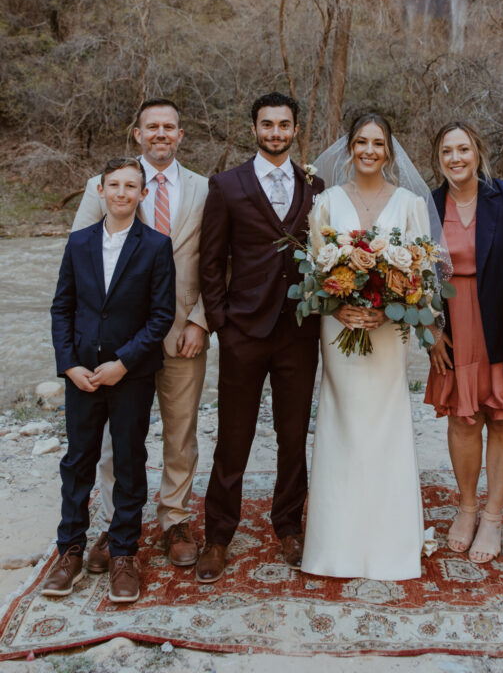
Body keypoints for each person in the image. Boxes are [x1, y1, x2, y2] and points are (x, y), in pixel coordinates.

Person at [71, 98, 209, 569]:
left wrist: (201, 320)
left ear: (181, 134)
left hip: (180, 332)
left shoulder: (203, 189)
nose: (161, 134)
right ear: (138, 134)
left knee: (180, 430)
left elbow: (217, 261)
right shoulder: (106, 186)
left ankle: (174, 518)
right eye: (152, 127)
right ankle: (115, 522)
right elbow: (80, 258)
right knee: (116, 436)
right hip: (118, 342)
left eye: (169, 127)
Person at [301, 113, 437, 581]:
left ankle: (391, 546)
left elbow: (422, 273)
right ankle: (333, 547)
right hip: (340, 329)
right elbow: (315, 272)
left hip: (387, 333)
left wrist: (392, 308)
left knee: (384, 424)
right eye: (361, 141)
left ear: (390, 151)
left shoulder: (410, 204)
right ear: (349, 148)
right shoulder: (325, 202)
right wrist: (336, 307)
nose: (369, 150)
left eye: (378, 143)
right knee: (342, 424)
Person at [197, 92, 324, 581]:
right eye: (267, 124)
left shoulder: (315, 186)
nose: (275, 132)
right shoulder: (226, 186)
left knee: (293, 436)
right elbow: (211, 261)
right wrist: (221, 323)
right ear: (254, 128)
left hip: (297, 330)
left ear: (295, 130)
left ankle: (288, 526)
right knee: (234, 437)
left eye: (284, 124)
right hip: (243, 332)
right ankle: (218, 536)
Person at [41, 158, 175, 603]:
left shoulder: (156, 246)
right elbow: (62, 307)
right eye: (113, 185)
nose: (121, 192)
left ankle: (123, 553)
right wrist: (68, 364)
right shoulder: (79, 242)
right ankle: (71, 551)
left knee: (129, 463)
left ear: (142, 194)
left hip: (130, 374)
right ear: (100, 190)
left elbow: (161, 317)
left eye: (130, 186)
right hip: (82, 373)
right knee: (77, 461)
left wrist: (124, 362)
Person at [425, 122, 503, 564]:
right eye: (447, 151)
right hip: (451, 326)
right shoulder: (428, 205)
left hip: (498, 322)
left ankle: (493, 515)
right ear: (438, 158)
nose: (456, 158)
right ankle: (466, 509)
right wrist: (430, 330)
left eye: (463, 149)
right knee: (463, 421)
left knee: (502, 417)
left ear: (477, 151)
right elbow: (413, 276)